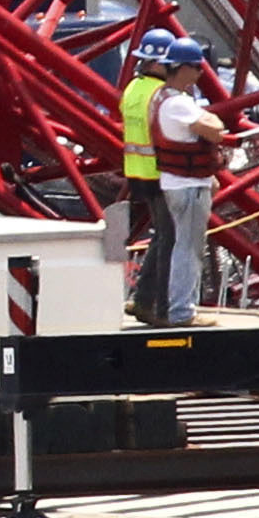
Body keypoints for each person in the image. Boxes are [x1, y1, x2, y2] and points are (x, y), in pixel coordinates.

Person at [146, 43, 231, 326]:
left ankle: (181, 308)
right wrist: (211, 120)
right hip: (189, 187)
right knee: (188, 249)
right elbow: (216, 131)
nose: (199, 73)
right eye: (196, 67)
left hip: (176, 184)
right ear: (181, 68)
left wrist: (208, 119)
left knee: (184, 246)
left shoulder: (162, 98)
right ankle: (182, 311)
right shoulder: (179, 104)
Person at [116, 30, 181, 322]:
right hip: (161, 173)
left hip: (138, 173)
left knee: (162, 236)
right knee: (170, 239)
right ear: (158, 63)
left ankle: (144, 299)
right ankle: (157, 305)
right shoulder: (161, 94)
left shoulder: (133, 88)